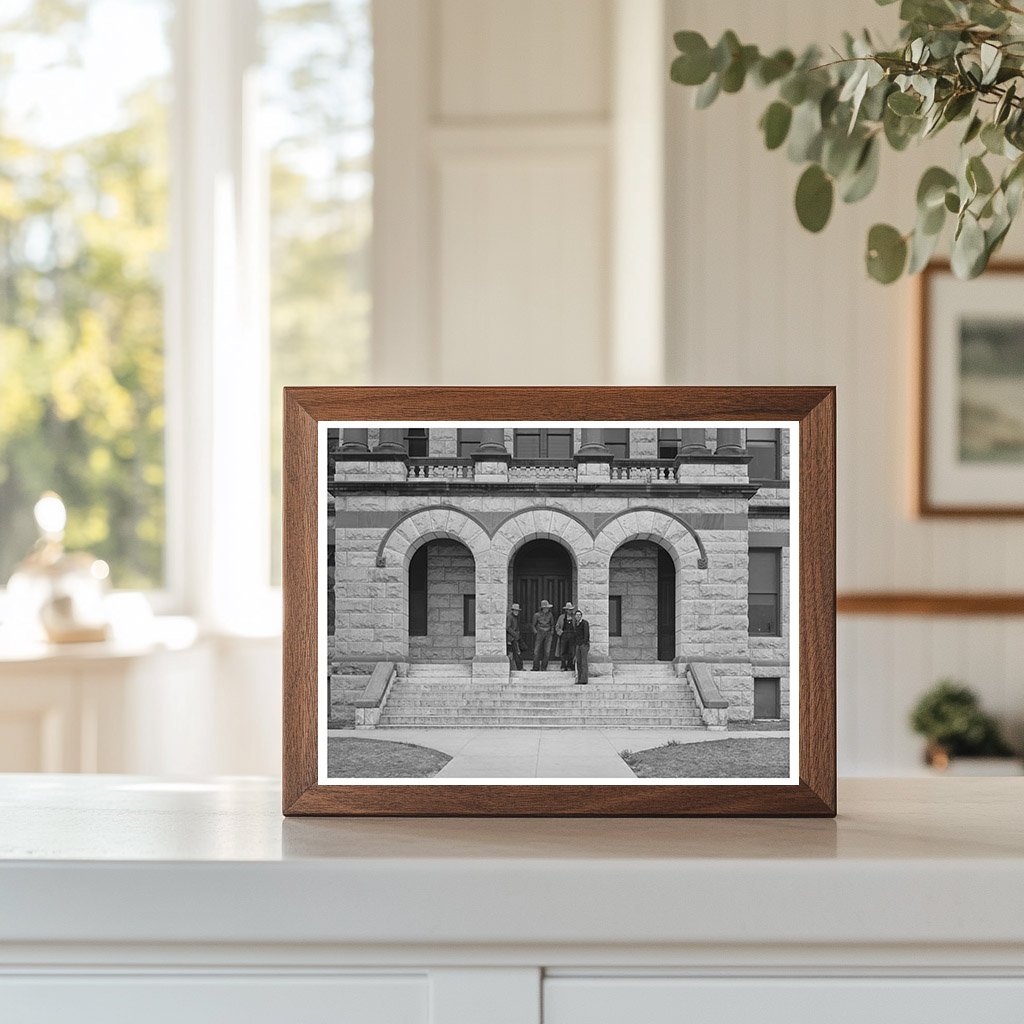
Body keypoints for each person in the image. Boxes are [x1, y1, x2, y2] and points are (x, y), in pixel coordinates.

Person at [531, 599, 555, 671]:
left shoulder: (550, 615)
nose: (547, 609)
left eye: (547, 608)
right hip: (540, 632)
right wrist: (536, 632)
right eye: (545, 608)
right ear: (542, 608)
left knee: (547, 651)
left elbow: (552, 624)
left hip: (548, 633)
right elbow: (533, 625)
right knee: (536, 651)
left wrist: (552, 632)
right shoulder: (536, 615)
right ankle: (536, 667)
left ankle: (544, 667)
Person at [555, 602, 576, 672]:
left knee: (571, 651)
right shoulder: (561, 617)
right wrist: (559, 632)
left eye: (570, 609)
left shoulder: (574, 617)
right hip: (564, 635)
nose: (569, 611)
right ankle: (563, 665)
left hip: (572, 636)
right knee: (563, 651)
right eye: (568, 610)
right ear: (566, 610)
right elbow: (557, 626)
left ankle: (570, 665)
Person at [573, 608, 590, 685]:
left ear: (581, 616)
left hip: (583, 645)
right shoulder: (576, 624)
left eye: (579, 615)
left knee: (583, 662)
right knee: (578, 662)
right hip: (578, 645)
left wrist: (584, 643)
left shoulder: (584, 623)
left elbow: (586, 634)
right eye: (576, 615)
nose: (578, 616)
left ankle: (584, 679)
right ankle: (579, 679)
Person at [506, 603, 523, 671]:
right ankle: (519, 667)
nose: (517, 612)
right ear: (512, 610)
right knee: (515, 653)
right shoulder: (510, 617)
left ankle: (517, 667)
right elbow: (508, 627)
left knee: (515, 653)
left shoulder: (515, 617)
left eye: (517, 610)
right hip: (511, 638)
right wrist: (515, 634)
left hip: (514, 637)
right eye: (515, 610)